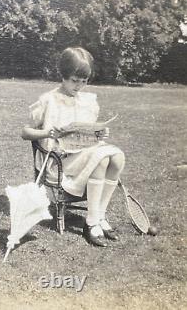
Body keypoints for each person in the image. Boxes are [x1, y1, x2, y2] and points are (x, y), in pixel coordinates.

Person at [21, 47, 125, 247]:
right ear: (63, 75)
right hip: (58, 161)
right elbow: (25, 132)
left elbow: (88, 133)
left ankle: (100, 216)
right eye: (74, 80)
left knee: (118, 158)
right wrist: (46, 132)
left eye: (84, 81)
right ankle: (92, 222)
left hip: (82, 154)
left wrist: (99, 133)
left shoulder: (88, 101)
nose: (79, 86)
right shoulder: (48, 100)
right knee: (102, 159)